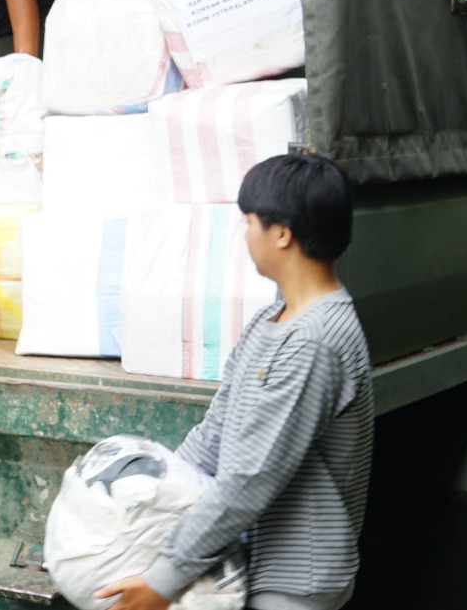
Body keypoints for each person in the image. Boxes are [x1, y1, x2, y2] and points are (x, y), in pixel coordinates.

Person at [96, 153, 373, 610]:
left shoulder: (315, 340)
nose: (245, 236)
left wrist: (165, 579)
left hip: (294, 581)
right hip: (253, 567)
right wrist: (153, 499)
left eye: (249, 223)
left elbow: (251, 478)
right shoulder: (272, 321)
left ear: (282, 233)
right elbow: (213, 437)